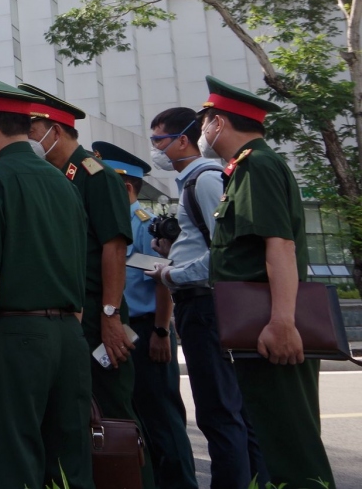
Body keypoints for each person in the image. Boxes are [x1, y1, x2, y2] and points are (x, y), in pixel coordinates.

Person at [0, 74, 93, 489]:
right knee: (69, 462)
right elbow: (78, 266)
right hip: (69, 335)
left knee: (13, 461)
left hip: (16, 337)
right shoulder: (63, 182)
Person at [198, 76, 336, 488]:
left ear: (219, 122)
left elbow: (279, 246)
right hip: (256, 327)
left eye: (205, 121)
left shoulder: (256, 165)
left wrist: (283, 322)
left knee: (290, 446)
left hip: (269, 327)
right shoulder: (246, 166)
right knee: (274, 440)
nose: (202, 131)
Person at [19, 83, 154, 489]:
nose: (28, 138)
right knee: (69, 417)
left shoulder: (96, 176)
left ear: (54, 130)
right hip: (68, 317)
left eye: (33, 129)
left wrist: (111, 316)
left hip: (99, 316)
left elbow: (114, 249)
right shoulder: (56, 177)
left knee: (112, 417)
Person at [144, 107, 267, 488]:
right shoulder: (192, 183)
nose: (156, 151)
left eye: (158, 141)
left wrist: (171, 272)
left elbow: (224, 254)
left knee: (220, 413)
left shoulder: (206, 180)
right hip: (199, 305)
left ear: (183, 139)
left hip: (206, 305)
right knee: (228, 411)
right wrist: (172, 252)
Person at [93, 140, 198, 489]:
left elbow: (162, 281)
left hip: (144, 332)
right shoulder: (104, 224)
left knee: (162, 422)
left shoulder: (143, 225)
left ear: (124, 186)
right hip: (118, 332)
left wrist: (161, 331)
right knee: (129, 420)